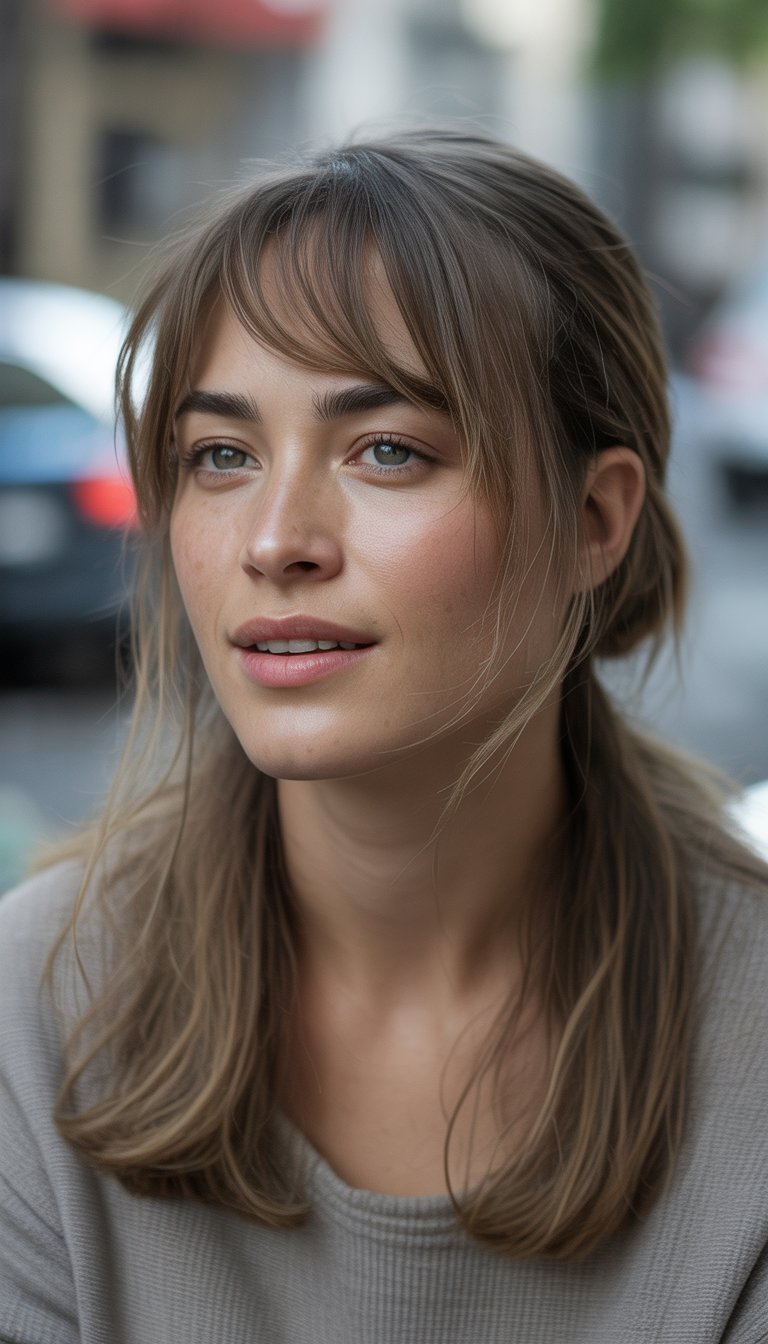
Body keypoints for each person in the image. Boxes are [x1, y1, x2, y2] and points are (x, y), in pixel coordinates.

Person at [1, 127, 767, 1344]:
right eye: (222, 456)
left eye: (388, 450)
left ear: (594, 520)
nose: (275, 538)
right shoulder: (35, 1007)